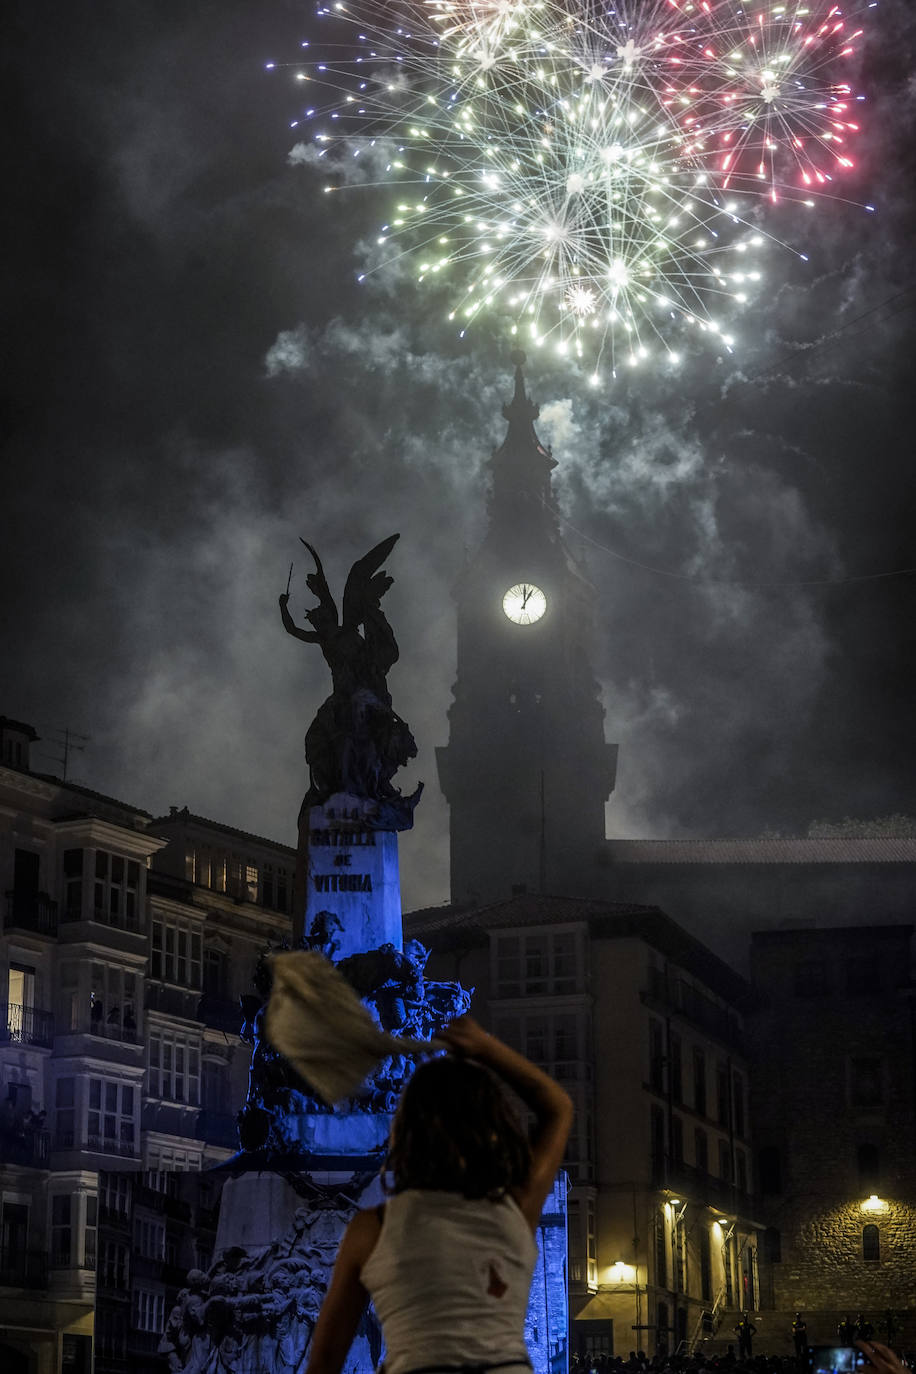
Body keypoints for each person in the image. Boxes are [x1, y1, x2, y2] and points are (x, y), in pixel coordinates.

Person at [303, 1014, 574, 1374]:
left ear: (404, 1134)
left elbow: (325, 1360)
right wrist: (485, 1047)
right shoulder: (513, 1210)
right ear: (493, 1132)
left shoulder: (372, 1230)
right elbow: (558, 1108)